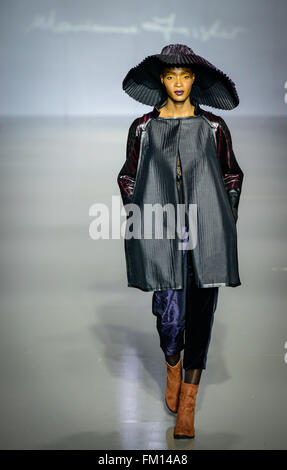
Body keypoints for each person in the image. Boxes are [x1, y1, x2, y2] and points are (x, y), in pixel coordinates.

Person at [117, 44, 244, 439]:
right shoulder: (142, 126)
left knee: (202, 313)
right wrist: (139, 212)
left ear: (194, 80)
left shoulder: (213, 127)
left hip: (204, 230)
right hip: (161, 227)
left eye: (185, 76)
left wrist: (224, 216)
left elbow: (231, 174)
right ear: (162, 79)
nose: (178, 83)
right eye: (171, 75)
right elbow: (128, 175)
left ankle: (188, 402)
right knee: (170, 318)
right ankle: (172, 361)